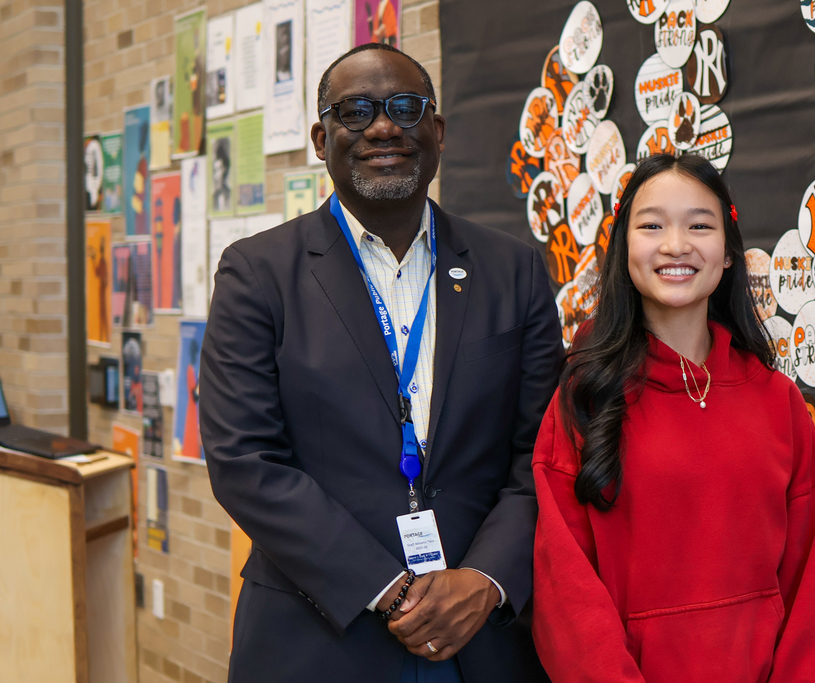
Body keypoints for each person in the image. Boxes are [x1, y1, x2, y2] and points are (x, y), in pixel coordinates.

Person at [200, 43, 561, 683]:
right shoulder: (257, 274)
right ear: (322, 139)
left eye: (405, 108)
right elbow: (244, 461)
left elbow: (543, 453)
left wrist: (485, 579)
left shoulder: (514, 270)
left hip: (480, 638)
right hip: (318, 638)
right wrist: (387, 589)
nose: (384, 127)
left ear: (437, 131)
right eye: (356, 111)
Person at [532, 154, 815, 682]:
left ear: (728, 252)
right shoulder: (584, 398)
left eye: (700, 225)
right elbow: (566, 591)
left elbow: (812, 588)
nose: (676, 245)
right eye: (652, 226)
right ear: (624, 247)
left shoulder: (778, 401)